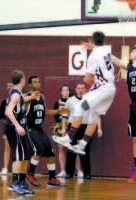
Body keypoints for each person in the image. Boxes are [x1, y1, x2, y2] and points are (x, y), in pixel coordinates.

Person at [104, 17, 136, 182]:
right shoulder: (127, 67)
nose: (130, 53)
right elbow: (113, 59)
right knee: (135, 139)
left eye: (133, 51)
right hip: (135, 106)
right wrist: (97, 48)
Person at [53, 31, 116, 159]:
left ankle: (68, 138)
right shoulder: (106, 52)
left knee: (80, 107)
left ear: (92, 40)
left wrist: (89, 79)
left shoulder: (93, 56)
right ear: (104, 41)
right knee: (93, 115)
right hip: (110, 89)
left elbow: (87, 80)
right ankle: (82, 144)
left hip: (101, 88)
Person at [25, 76, 67, 187]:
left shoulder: (42, 97)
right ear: (30, 85)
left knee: (50, 152)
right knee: (38, 149)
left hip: (39, 128)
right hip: (30, 128)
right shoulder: (27, 97)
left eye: (38, 81)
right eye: (35, 82)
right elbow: (18, 101)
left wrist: (58, 110)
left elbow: (45, 112)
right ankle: (30, 173)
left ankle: (52, 178)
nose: (38, 83)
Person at [4, 70, 39, 195]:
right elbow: (8, 111)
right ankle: (15, 183)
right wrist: (18, 125)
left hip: (20, 127)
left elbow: (21, 99)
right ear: (22, 80)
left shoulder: (18, 93)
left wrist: (31, 97)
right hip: (14, 127)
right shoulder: (15, 95)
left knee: (26, 154)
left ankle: (22, 182)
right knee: (19, 155)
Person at [59, 82, 102, 179]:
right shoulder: (70, 101)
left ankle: (87, 173)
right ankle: (69, 173)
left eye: (82, 88)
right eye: (79, 88)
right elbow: (64, 116)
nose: (81, 90)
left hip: (86, 127)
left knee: (85, 151)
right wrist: (63, 128)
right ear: (76, 89)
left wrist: (99, 128)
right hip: (73, 127)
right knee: (71, 151)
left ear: (85, 89)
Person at [53, 84, 71, 177]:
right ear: (61, 92)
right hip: (61, 128)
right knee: (61, 148)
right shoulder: (57, 103)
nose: (65, 92)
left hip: (71, 127)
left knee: (73, 149)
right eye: (63, 90)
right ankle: (63, 170)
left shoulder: (73, 102)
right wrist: (61, 126)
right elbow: (56, 116)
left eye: (67, 90)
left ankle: (79, 171)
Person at [0, 83, 13, 175]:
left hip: (17, 127)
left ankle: (17, 170)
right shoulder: (5, 101)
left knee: (17, 148)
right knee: (7, 148)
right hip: (7, 126)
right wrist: (5, 112)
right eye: (10, 91)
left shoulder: (20, 101)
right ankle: (5, 168)